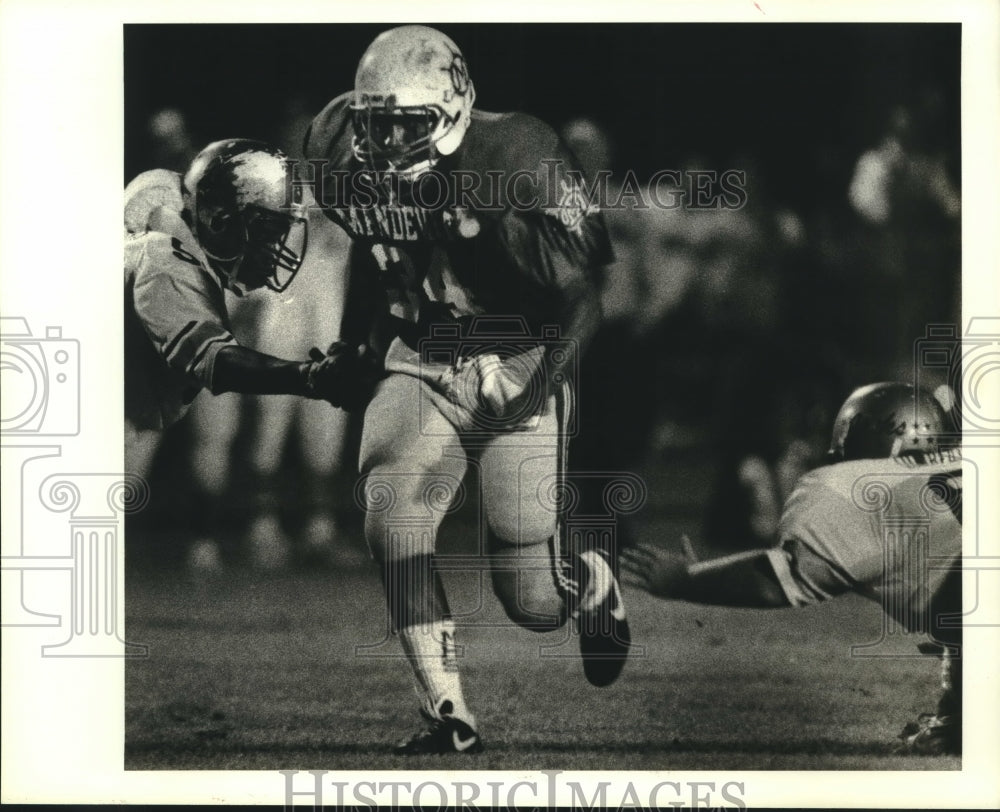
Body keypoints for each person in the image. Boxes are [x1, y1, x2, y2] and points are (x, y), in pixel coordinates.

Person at [304, 25, 628, 754]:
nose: (386, 141)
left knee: (534, 602)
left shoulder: (515, 154)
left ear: (451, 110)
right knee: (392, 509)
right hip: (424, 355)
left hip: (519, 354)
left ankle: (591, 580)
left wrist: (539, 383)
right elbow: (371, 246)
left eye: (406, 124)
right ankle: (447, 711)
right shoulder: (335, 145)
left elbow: (585, 299)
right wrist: (360, 344)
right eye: (375, 123)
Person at [622, 382, 962, 755]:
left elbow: (779, 580)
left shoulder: (858, 487)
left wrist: (685, 580)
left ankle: (959, 723)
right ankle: (958, 718)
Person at [124, 138, 374, 480]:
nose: (272, 241)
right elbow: (214, 360)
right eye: (259, 221)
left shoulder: (194, 241)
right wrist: (305, 377)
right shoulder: (165, 258)